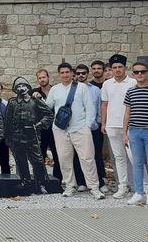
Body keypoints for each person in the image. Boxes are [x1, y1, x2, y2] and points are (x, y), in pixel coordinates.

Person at [45, 63, 105, 200]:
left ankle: (94, 187)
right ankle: (70, 185)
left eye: (67, 72)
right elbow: (48, 106)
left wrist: (87, 126)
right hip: (61, 129)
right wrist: (37, 99)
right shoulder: (55, 89)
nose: (65, 75)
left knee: (87, 158)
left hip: (80, 128)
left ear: (72, 74)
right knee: (64, 159)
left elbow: (90, 107)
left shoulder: (82, 87)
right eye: (62, 73)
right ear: (59, 74)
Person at [5, 77, 53, 194]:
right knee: (21, 161)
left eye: (23, 86)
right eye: (18, 87)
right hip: (17, 136)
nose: (21, 89)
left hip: (32, 136)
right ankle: (25, 182)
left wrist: (39, 125)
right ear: (15, 90)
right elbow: (8, 121)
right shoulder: (12, 103)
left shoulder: (35, 101)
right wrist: (9, 138)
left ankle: (40, 184)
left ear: (28, 88)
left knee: (37, 161)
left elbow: (49, 115)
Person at [122, 62, 148, 205]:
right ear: (133, 74)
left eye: (142, 71)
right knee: (137, 163)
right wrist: (124, 133)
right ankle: (138, 192)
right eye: (136, 72)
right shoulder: (130, 91)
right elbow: (127, 113)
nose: (139, 74)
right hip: (134, 131)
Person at [101, 54, 137, 199]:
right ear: (111, 69)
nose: (117, 70)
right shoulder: (107, 84)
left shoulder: (133, 82)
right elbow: (104, 104)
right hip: (112, 125)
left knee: (134, 157)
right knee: (119, 157)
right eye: (114, 68)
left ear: (125, 67)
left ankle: (139, 185)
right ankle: (123, 186)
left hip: (130, 125)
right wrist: (103, 123)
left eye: (120, 67)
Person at [72, 65, 107, 193]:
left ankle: (100, 182)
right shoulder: (71, 89)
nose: (81, 75)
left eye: (84, 73)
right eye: (78, 73)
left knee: (95, 154)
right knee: (78, 155)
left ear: (88, 74)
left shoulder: (96, 90)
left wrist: (97, 123)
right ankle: (81, 182)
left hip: (93, 128)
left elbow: (99, 107)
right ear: (75, 75)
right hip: (77, 128)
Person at [31, 69, 62, 180]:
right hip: (41, 129)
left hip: (56, 127)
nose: (42, 80)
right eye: (39, 78)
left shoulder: (57, 90)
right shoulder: (33, 92)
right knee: (40, 155)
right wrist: (33, 97)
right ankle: (40, 179)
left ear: (48, 77)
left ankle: (57, 178)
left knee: (58, 154)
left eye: (44, 77)